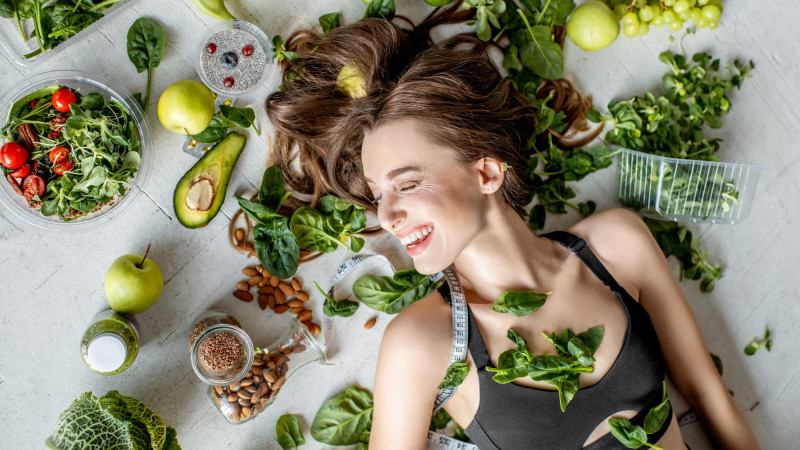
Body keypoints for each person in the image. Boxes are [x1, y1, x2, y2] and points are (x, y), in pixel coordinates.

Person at [266, 17, 759, 450]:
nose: (388, 215)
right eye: (378, 194)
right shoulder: (422, 342)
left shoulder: (616, 245)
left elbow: (708, 394)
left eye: (408, 184)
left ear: (486, 174)